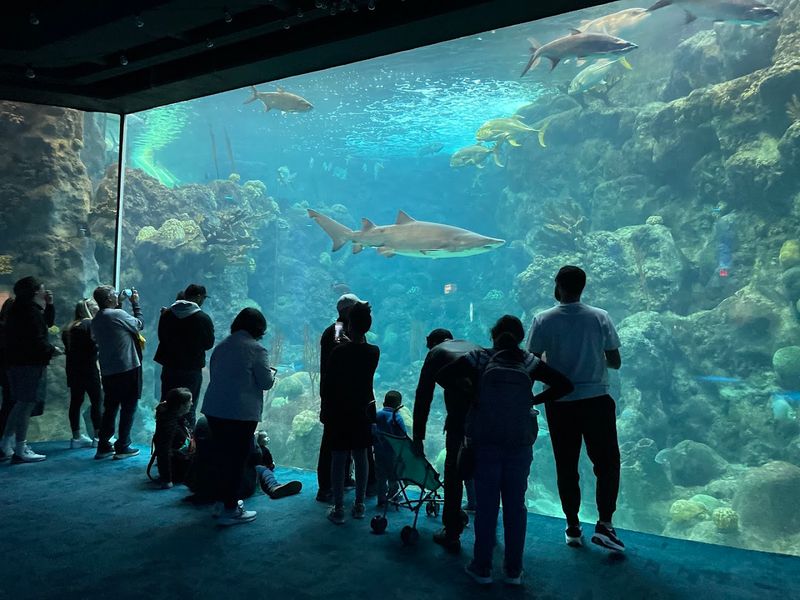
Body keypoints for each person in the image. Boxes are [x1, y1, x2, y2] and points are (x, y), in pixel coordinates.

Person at [462, 315, 573, 586]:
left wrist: (474, 395)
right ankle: (513, 570)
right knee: (515, 506)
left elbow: (443, 374)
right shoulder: (528, 361)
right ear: (521, 338)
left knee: (486, 506)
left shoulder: (480, 358)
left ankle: (482, 568)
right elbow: (565, 385)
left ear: (493, 334)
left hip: (486, 441)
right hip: (519, 443)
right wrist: (531, 399)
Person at [528, 265, 624, 552]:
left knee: (566, 465)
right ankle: (605, 524)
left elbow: (532, 362)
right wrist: (592, 359)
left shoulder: (543, 319)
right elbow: (615, 361)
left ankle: (572, 525)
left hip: (560, 403)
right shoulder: (600, 317)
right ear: (583, 286)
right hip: (596, 399)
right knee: (607, 464)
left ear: (558, 285)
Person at [200, 307, 275, 526]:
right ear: (259, 328)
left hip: (214, 410)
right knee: (236, 460)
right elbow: (266, 382)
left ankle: (221, 502)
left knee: (222, 456)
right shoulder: (257, 349)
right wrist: (272, 374)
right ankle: (230, 510)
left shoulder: (222, 346)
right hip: (240, 413)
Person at [412, 328, 481, 553]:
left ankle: (451, 533)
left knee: (453, 470)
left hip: (460, 421)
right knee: (485, 469)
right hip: (487, 416)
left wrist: (418, 436)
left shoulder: (436, 353)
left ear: (431, 343)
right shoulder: (473, 347)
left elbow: (423, 396)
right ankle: (487, 528)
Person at [321, 301, 379, 524]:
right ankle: (359, 504)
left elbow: (329, 381)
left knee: (338, 456)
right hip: (362, 410)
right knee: (361, 455)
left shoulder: (339, 348)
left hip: (339, 410)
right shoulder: (373, 351)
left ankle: (337, 506)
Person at [0, 277, 61, 463]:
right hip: (28, 365)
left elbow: (45, 325)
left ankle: (6, 443)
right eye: (42, 288)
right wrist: (52, 350)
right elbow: (35, 339)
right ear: (35, 291)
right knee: (26, 404)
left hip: (15, 364)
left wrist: (49, 305)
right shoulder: (30, 312)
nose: (45, 290)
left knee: (19, 403)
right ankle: (20, 448)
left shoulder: (19, 310)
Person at [316, 293, 367, 503]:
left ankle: (344, 478)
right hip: (336, 397)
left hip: (346, 397)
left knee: (343, 440)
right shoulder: (338, 330)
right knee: (331, 443)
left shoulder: (350, 331)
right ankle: (325, 487)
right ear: (346, 311)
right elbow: (343, 353)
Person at [184, 417, 301, 503]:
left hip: (199, 483)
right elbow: (256, 457)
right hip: (232, 487)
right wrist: (254, 440)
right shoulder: (241, 425)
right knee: (260, 468)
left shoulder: (202, 421)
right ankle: (273, 487)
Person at [91, 285, 144, 460]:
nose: (117, 295)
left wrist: (119, 304)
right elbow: (139, 324)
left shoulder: (97, 319)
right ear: (108, 299)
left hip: (108, 370)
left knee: (111, 407)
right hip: (127, 367)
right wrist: (135, 304)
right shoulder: (117, 314)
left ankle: (103, 445)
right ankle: (123, 445)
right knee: (129, 406)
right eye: (114, 294)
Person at [154, 284, 215, 429]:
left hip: (169, 367)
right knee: (188, 406)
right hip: (191, 369)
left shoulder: (167, 314)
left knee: (167, 403)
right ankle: (185, 440)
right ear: (199, 297)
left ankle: (163, 438)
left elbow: (162, 337)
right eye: (203, 298)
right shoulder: (203, 318)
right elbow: (208, 344)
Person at [62, 298, 103, 448]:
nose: (98, 307)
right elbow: (94, 346)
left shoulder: (69, 327)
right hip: (89, 369)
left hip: (73, 370)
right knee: (96, 401)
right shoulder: (90, 324)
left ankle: (76, 437)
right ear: (89, 309)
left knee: (75, 402)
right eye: (95, 305)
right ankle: (98, 437)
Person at [152, 387, 194, 489]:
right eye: (190, 401)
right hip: (179, 467)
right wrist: (167, 479)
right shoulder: (169, 424)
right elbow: (163, 450)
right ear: (181, 405)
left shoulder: (173, 416)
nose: (192, 404)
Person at [372, 390, 407, 507]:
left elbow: (372, 431)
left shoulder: (377, 414)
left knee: (381, 477)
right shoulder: (397, 417)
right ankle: (393, 496)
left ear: (383, 403)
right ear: (399, 406)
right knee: (393, 476)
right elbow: (403, 436)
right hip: (393, 455)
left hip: (378, 453)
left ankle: (381, 499)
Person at [0, 297, 15, 446]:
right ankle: (5, 440)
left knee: (8, 404)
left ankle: (6, 440)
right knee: (10, 404)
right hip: (9, 369)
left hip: (7, 369)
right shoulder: (7, 328)